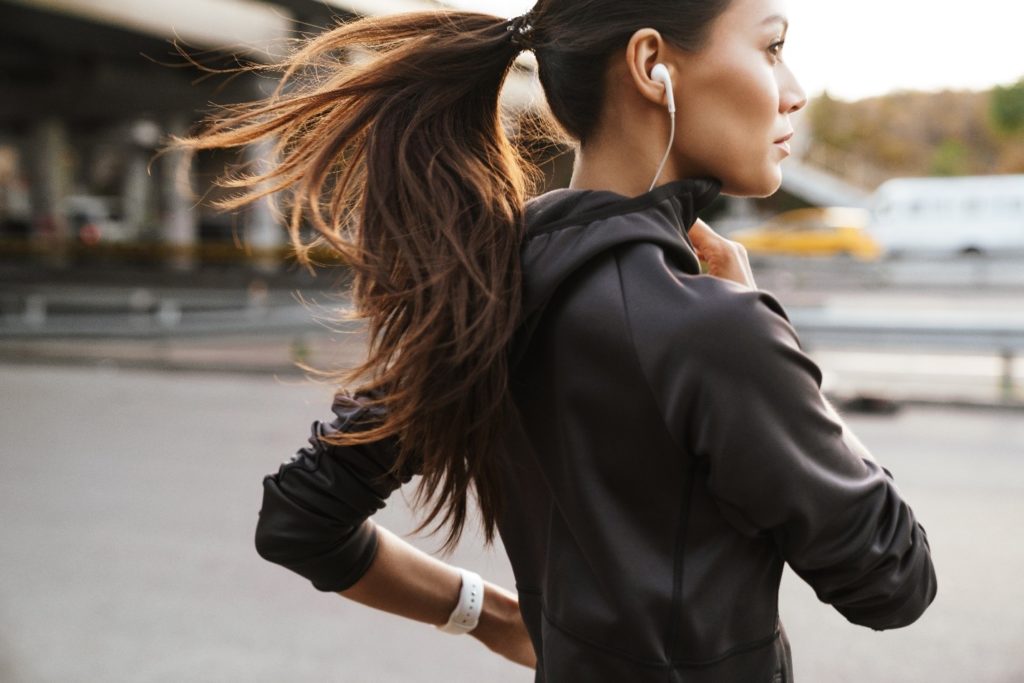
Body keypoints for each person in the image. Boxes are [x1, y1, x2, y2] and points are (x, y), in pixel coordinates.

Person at [165, 0, 937, 680]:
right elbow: (893, 580)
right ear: (650, 64)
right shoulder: (719, 330)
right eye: (771, 46)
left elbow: (300, 520)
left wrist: (495, 618)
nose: (793, 89)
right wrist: (774, 347)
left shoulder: (485, 288)